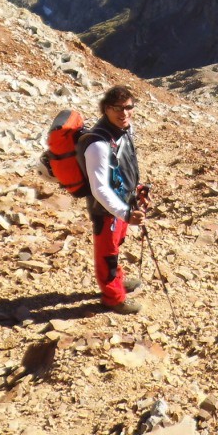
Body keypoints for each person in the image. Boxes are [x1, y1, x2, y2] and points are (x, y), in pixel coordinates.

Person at [76, 85, 149, 314]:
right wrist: (125, 212)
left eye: (128, 107)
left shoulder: (124, 130)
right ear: (106, 109)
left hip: (123, 203)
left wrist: (136, 189)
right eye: (117, 108)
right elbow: (99, 189)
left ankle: (116, 280)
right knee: (107, 253)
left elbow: (126, 165)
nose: (124, 113)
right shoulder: (98, 144)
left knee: (115, 246)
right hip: (107, 210)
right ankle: (113, 297)